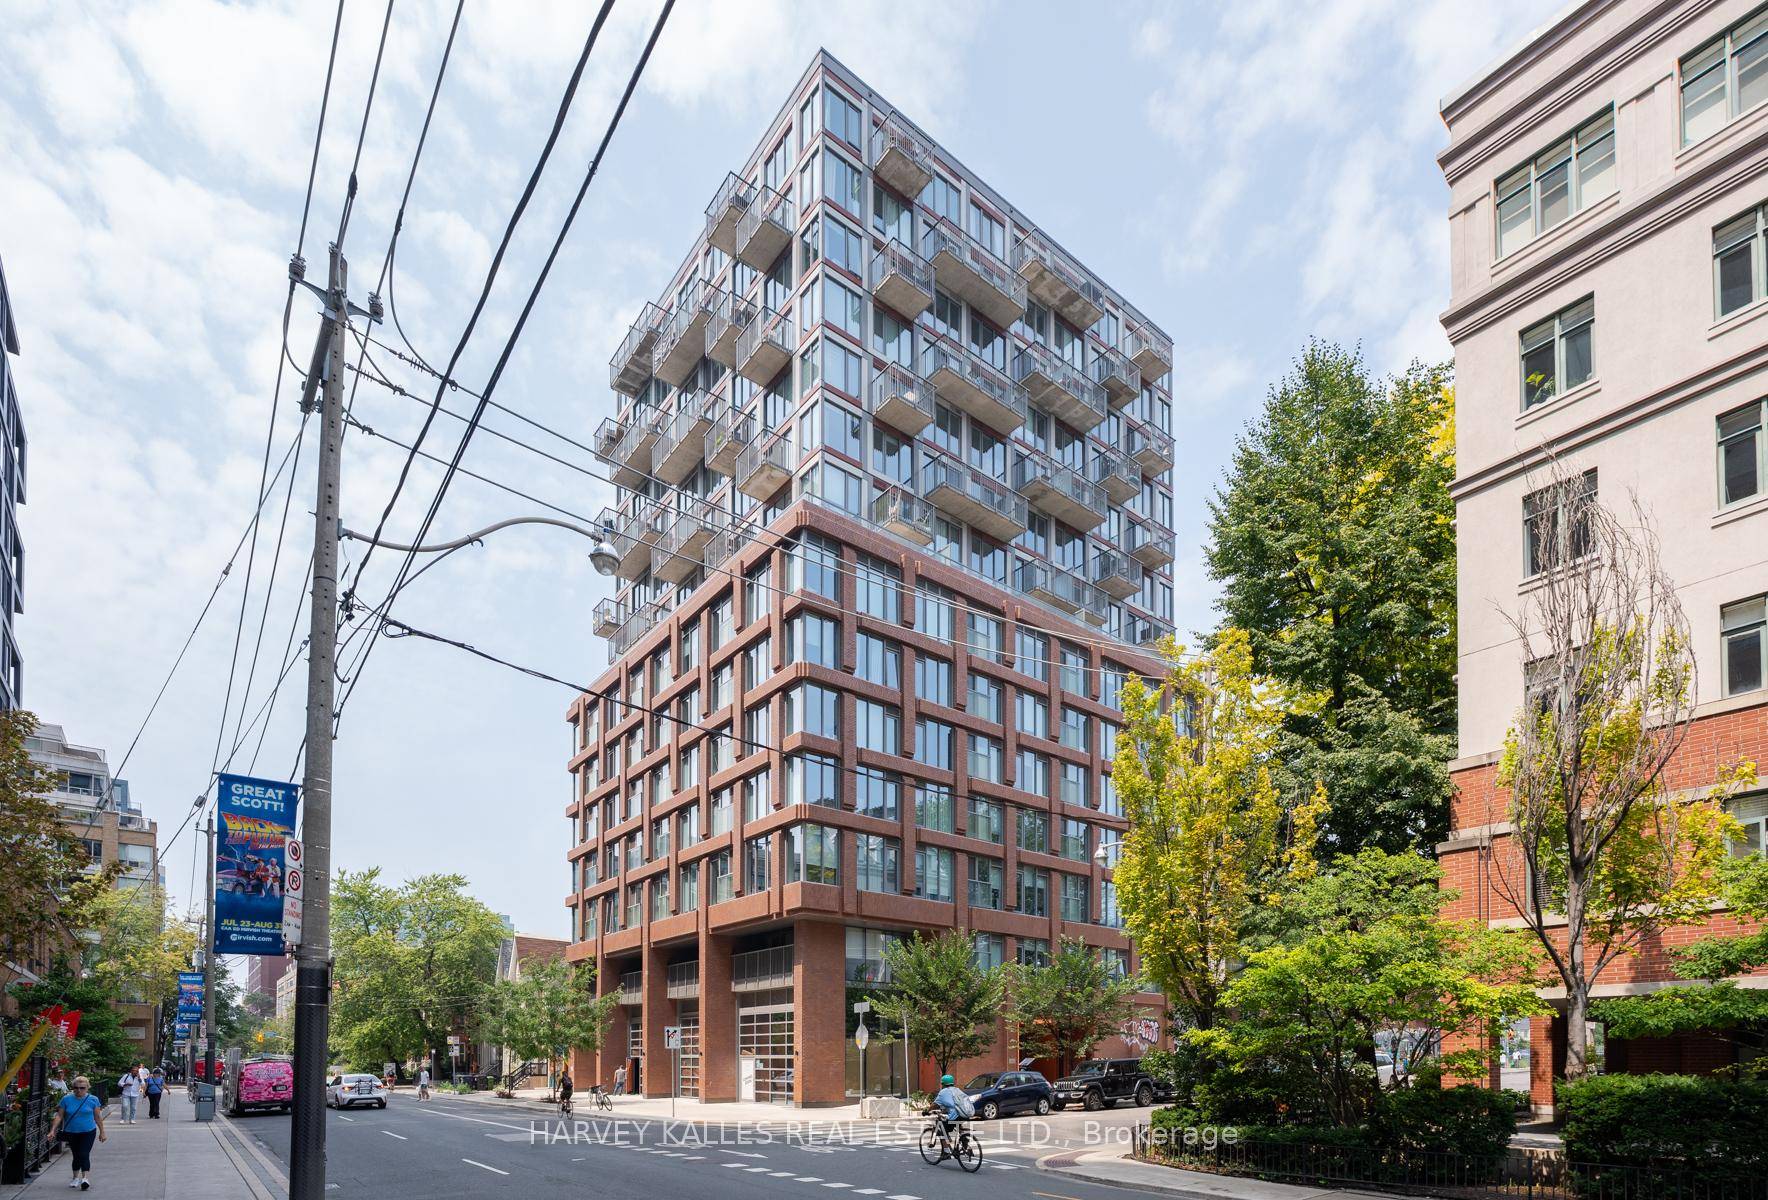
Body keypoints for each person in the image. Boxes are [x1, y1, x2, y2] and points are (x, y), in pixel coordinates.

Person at [49, 1075, 105, 1191]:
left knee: (84, 1153)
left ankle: (85, 1178)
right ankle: (75, 1178)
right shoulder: (66, 1099)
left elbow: (98, 1117)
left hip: (88, 1132)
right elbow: (59, 1115)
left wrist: (102, 1132)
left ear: (87, 1088)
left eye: (82, 1088)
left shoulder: (93, 1099)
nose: (79, 1090)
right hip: (72, 1132)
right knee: (76, 1155)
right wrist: (52, 1130)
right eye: (76, 1087)